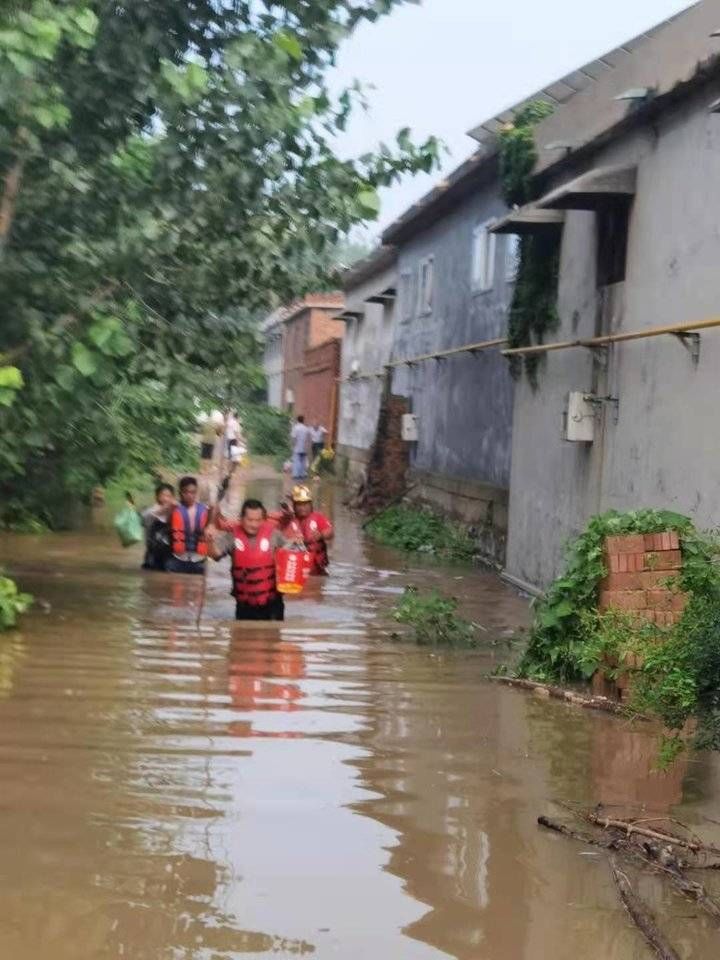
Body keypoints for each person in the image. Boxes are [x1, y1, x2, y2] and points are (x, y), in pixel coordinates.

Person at [206, 498, 302, 621]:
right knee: (242, 639)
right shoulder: (232, 537)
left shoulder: (274, 535)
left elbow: (291, 556)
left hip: (272, 604)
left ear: (263, 519)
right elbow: (213, 555)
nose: (254, 524)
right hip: (244, 605)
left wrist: (297, 543)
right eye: (250, 520)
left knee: (274, 638)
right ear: (241, 519)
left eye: (258, 520)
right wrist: (209, 540)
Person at [284, 485, 334, 575]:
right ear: (294, 506)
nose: (303, 507)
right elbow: (284, 543)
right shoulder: (290, 521)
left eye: (306, 504)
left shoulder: (318, 517)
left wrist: (321, 535)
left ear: (311, 504)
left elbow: (330, 532)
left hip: (318, 570)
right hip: (297, 568)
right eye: (299, 504)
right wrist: (292, 540)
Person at [167, 476, 209, 575]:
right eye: (186, 492)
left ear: (196, 492)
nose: (190, 495)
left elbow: (221, 524)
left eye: (193, 492)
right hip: (178, 559)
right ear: (180, 493)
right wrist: (168, 507)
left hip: (199, 560)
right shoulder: (174, 509)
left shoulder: (205, 510)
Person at [141, 482, 176, 571]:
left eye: (169, 496)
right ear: (157, 497)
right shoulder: (150, 511)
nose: (166, 498)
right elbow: (144, 518)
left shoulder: (176, 512)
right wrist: (163, 510)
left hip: (170, 555)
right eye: (163, 495)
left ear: (173, 498)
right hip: (152, 554)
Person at [290, 415, 312, 480]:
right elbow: (308, 439)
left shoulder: (295, 428)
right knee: (303, 461)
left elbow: (294, 438)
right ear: (303, 420)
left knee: (297, 461)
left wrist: (292, 445)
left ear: (297, 420)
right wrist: (308, 447)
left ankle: (296, 475)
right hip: (304, 448)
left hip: (297, 447)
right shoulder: (306, 428)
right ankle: (303, 474)